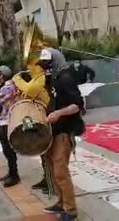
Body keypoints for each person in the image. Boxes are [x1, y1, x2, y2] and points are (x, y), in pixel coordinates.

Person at [38, 48, 84, 221]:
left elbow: (77, 104)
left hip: (65, 130)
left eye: (47, 64)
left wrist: (58, 114)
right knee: (51, 167)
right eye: (43, 65)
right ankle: (61, 202)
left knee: (60, 170)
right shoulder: (55, 78)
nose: (45, 68)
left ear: (55, 61)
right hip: (54, 130)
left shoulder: (66, 78)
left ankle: (71, 210)